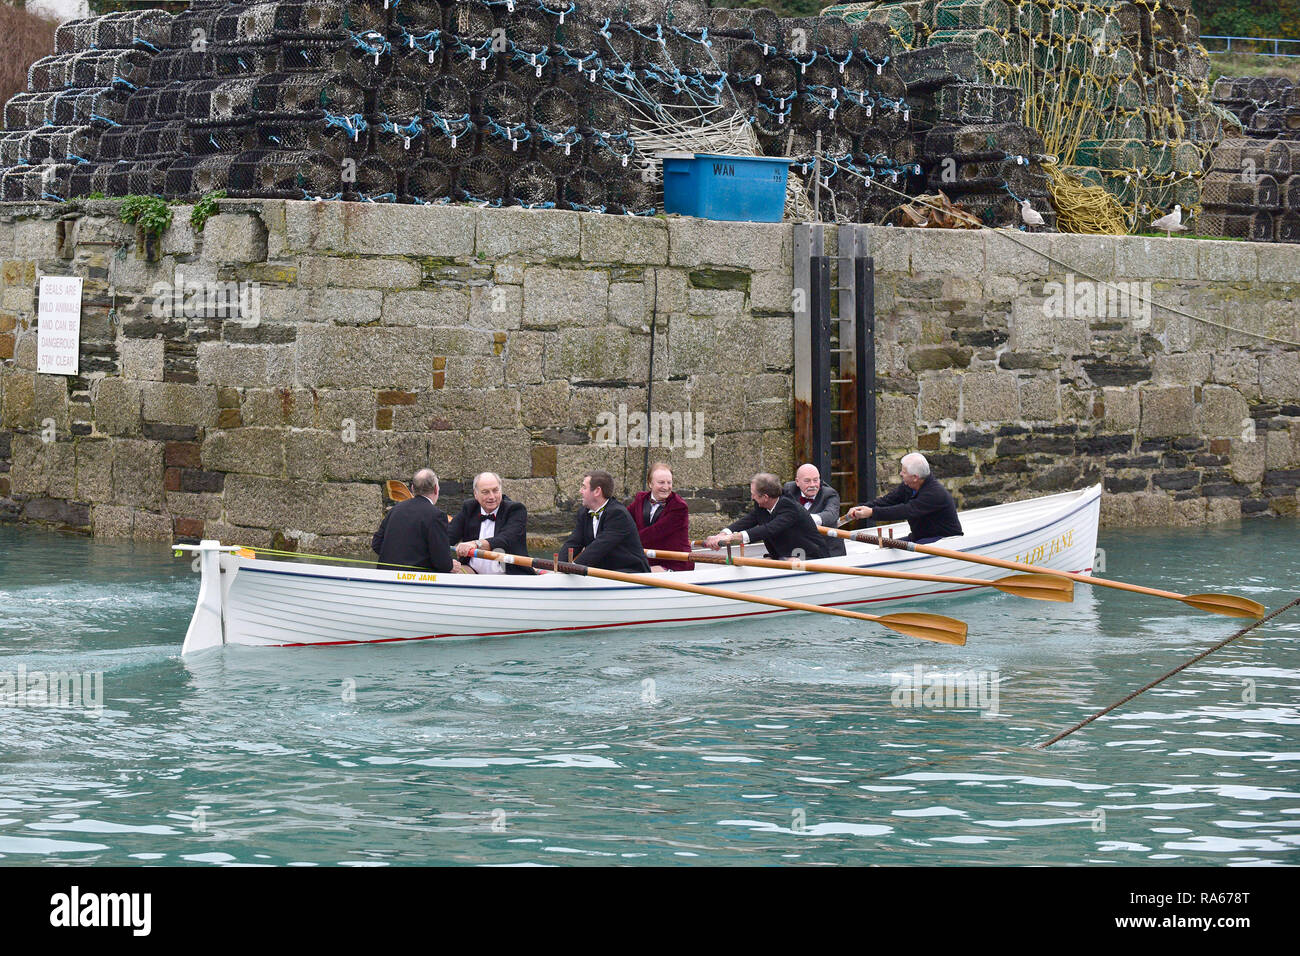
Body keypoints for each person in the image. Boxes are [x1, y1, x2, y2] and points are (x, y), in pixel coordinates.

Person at [705, 472, 828, 561]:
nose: (752, 497)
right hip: (783, 555)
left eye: (754, 494)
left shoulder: (790, 508)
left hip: (811, 556)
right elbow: (749, 520)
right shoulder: (762, 504)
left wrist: (733, 538)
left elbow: (769, 529)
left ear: (765, 497)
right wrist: (723, 534)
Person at [844, 453, 963, 543]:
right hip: (920, 537)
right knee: (887, 546)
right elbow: (887, 501)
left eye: (904, 472)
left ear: (915, 477)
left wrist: (871, 513)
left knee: (892, 547)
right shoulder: (908, 486)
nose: (901, 474)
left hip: (943, 540)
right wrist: (861, 507)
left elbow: (905, 511)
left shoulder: (935, 494)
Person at [560, 470, 652, 573]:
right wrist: (558, 566)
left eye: (584, 487)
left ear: (597, 491)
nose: (580, 491)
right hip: (604, 572)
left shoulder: (618, 514)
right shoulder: (584, 513)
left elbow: (599, 548)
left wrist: (573, 568)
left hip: (631, 572)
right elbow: (573, 542)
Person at [448, 472, 535, 575]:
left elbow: (504, 540)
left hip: (507, 574)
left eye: (495, 490)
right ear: (476, 494)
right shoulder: (469, 508)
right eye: (485, 492)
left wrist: (476, 544)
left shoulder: (516, 510)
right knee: (448, 570)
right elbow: (448, 536)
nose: (492, 496)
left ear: (501, 490)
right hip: (472, 571)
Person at [371, 468, 453, 572]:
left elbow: (376, 544)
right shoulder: (437, 516)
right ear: (436, 489)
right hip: (417, 581)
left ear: (412, 488)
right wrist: (451, 565)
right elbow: (443, 563)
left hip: (386, 576)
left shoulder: (395, 509)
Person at [629, 462, 694, 571]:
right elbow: (623, 519)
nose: (666, 487)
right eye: (661, 482)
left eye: (669, 482)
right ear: (650, 483)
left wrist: (624, 541)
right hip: (648, 560)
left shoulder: (679, 507)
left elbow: (654, 533)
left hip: (675, 563)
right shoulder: (640, 499)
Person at [782, 463, 846, 557]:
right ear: (797, 482)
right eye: (807, 481)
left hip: (828, 551)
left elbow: (831, 514)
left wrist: (805, 519)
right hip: (799, 550)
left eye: (816, 480)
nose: (813, 485)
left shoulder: (830, 494)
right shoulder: (789, 489)